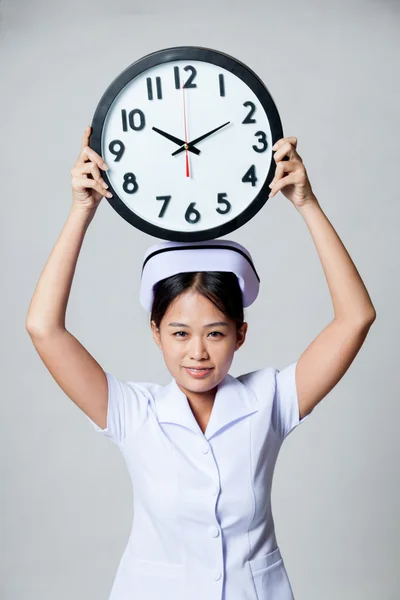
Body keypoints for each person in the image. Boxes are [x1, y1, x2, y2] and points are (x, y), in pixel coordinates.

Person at [25, 126, 376, 600]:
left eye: (215, 333)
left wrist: (306, 203)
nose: (197, 352)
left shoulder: (268, 400)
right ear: (156, 334)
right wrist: (82, 210)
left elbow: (356, 318)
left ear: (240, 334)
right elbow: (44, 328)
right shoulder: (134, 412)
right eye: (179, 333)